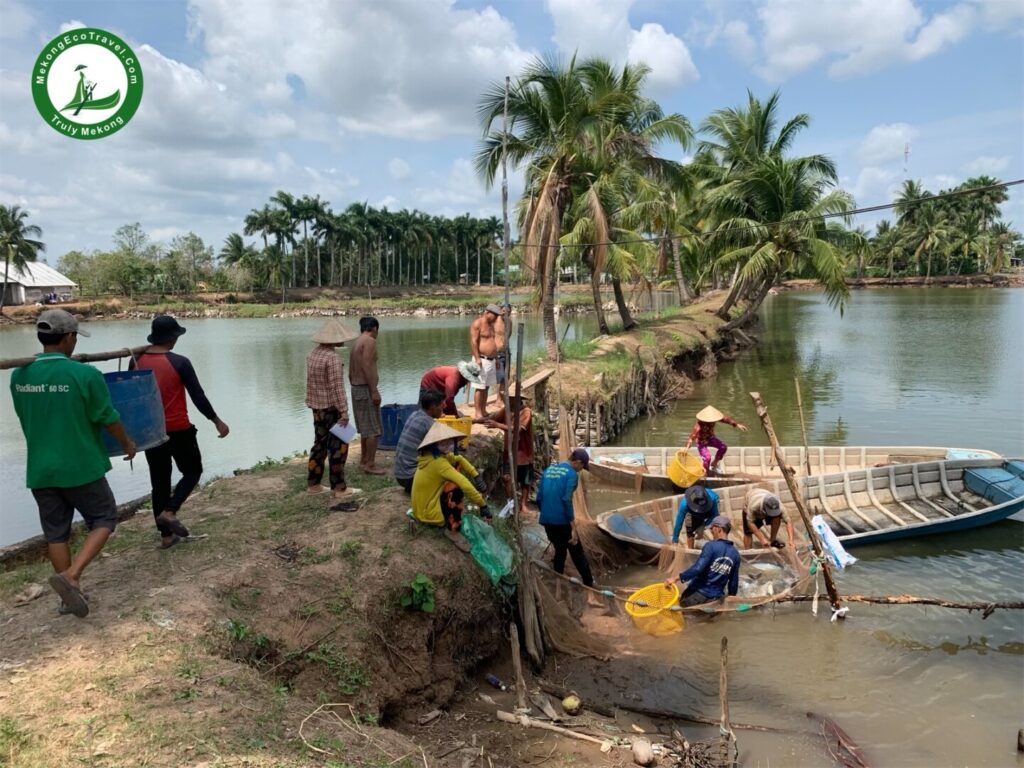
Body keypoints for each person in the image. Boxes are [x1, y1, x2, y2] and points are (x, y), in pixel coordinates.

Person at [9, 310, 136, 618]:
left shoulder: (19, 375)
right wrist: (127, 443)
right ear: (68, 338)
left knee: (56, 533)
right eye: (75, 337)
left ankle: (69, 597)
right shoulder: (85, 375)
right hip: (80, 465)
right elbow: (107, 417)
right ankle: (72, 576)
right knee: (105, 518)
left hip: (41, 468)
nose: (75, 343)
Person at [130, 315, 230, 548]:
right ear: (173, 338)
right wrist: (216, 420)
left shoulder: (136, 361)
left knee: (160, 483)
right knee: (193, 471)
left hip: (151, 432)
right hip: (178, 429)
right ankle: (170, 511)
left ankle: (166, 537)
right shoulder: (180, 362)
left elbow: (133, 398)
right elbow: (197, 396)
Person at [411, 422, 488, 551]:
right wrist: (482, 504)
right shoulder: (439, 463)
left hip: (420, 508)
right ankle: (453, 530)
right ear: (434, 444)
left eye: (448, 442)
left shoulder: (431, 456)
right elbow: (464, 483)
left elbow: (459, 459)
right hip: (428, 514)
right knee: (456, 488)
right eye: (442, 443)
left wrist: (476, 475)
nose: (447, 445)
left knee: (455, 467)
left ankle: (445, 515)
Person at [305, 319, 359, 499]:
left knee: (319, 444)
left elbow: (312, 384)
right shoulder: (332, 358)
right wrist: (343, 412)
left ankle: (313, 484)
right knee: (338, 447)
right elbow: (337, 388)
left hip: (317, 408)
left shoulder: (312, 355)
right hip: (331, 409)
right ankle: (339, 488)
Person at [536, 448, 594, 587]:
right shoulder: (572, 474)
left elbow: (539, 498)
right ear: (577, 462)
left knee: (560, 550)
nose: (581, 470)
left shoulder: (548, 470)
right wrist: (573, 527)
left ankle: (558, 583)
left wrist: (547, 514)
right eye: (582, 466)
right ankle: (590, 585)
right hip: (562, 521)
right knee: (577, 553)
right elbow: (566, 499)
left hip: (546, 520)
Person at [664, 515, 740, 607]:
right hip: (715, 600)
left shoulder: (710, 546)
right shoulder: (735, 554)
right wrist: (731, 600)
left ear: (718, 529)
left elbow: (697, 568)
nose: (711, 531)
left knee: (683, 616)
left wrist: (676, 578)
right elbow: (733, 582)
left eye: (712, 528)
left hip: (697, 595)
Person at [486, 395, 535, 515]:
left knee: (525, 481)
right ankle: (512, 503)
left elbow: (518, 429)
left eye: (510, 398)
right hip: (510, 452)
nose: (506, 400)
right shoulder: (507, 410)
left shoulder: (526, 412)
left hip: (523, 452)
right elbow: (493, 417)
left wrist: (498, 425)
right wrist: (475, 420)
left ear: (517, 399)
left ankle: (523, 505)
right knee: (507, 478)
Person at [349, 316, 384, 475]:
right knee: (373, 429)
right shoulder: (369, 341)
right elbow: (367, 365)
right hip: (365, 388)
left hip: (356, 388)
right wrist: (373, 390)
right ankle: (370, 464)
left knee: (365, 428)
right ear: (375, 329)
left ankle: (364, 461)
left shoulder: (357, 341)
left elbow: (350, 370)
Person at [394, 389, 445, 493]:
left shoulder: (414, 415)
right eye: (441, 405)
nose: (444, 407)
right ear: (433, 408)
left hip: (400, 476)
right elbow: (439, 452)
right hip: (411, 478)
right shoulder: (429, 423)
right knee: (443, 465)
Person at [682, 405, 748, 475]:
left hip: (710, 438)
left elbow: (725, 419)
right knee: (707, 458)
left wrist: (737, 424)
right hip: (701, 441)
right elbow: (692, 437)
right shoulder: (699, 425)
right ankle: (706, 472)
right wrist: (686, 447)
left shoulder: (713, 419)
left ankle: (714, 464)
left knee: (723, 447)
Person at [469, 304, 502, 419]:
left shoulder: (491, 325)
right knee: (480, 386)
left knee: (486, 386)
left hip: (491, 360)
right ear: (487, 312)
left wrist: (496, 358)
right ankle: (478, 413)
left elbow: (493, 341)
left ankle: (483, 410)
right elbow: (473, 342)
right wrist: (477, 358)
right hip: (481, 360)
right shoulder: (478, 323)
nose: (496, 317)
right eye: (495, 315)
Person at [671, 484, 721, 549]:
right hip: (692, 512)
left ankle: (718, 547)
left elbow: (715, 516)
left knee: (715, 527)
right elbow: (679, 522)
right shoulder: (684, 504)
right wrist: (675, 539)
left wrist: (704, 525)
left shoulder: (713, 499)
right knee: (690, 531)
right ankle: (691, 549)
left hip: (709, 509)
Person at [494, 303, 510, 399]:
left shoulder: (509, 322)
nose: (505, 313)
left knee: (505, 377)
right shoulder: (495, 321)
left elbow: (508, 336)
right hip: (497, 353)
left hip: (506, 352)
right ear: (500, 311)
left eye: (508, 311)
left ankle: (500, 398)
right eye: (504, 311)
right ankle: (498, 399)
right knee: (499, 377)